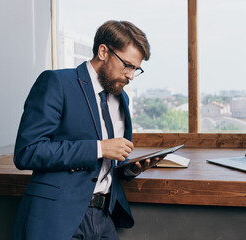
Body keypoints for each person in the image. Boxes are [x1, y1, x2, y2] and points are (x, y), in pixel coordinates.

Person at [11, 20, 161, 240]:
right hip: (58, 219)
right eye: (127, 65)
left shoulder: (122, 99)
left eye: (136, 69)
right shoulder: (56, 82)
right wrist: (98, 148)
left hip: (104, 218)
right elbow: (28, 152)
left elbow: (104, 167)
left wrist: (130, 170)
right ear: (103, 51)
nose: (130, 76)